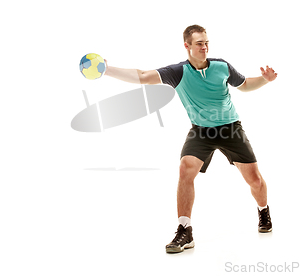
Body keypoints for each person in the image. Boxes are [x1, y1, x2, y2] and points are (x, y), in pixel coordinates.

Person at [104, 25, 277, 253]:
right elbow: (143, 76)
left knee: (255, 180)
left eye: (206, 42)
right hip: (201, 131)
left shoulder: (221, 66)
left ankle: (263, 210)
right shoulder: (178, 72)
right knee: (186, 169)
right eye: (199, 43)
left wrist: (264, 79)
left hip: (230, 129)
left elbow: (244, 85)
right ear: (187, 46)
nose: (204, 47)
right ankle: (185, 230)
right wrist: (106, 70)